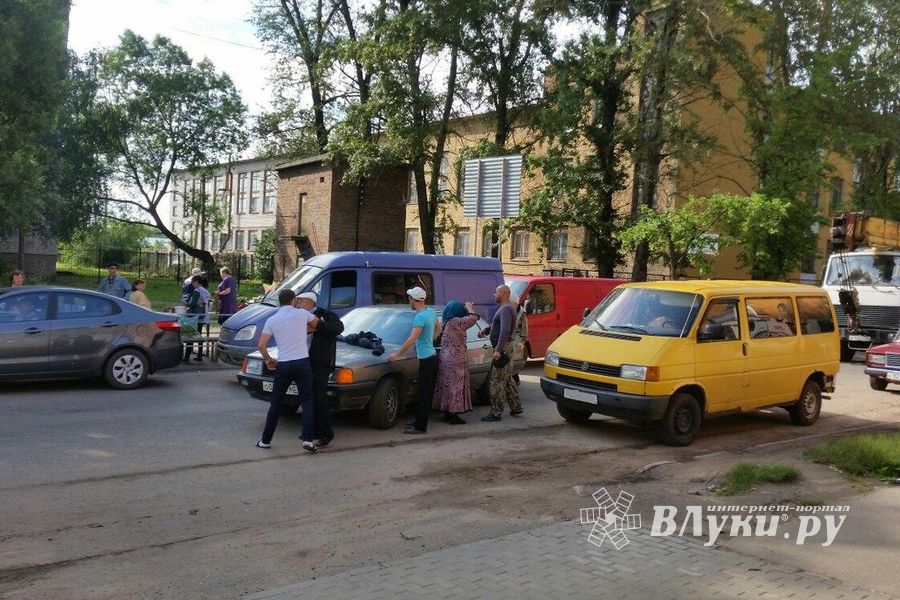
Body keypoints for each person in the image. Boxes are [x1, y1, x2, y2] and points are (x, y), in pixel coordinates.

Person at [256, 289, 319, 452]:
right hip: (302, 363)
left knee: (276, 403)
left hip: (283, 364)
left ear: (279, 301)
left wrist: (269, 360)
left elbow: (261, 345)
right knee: (307, 401)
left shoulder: (272, 319)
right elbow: (318, 325)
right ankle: (308, 439)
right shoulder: (302, 314)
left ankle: (265, 440)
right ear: (293, 300)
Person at [387, 286, 441, 435]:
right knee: (423, 393)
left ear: (415, 300)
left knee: (423, 394)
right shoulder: (429, 311)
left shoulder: (420, 317)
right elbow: (439, 328)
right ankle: (418, 421)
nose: (409, 300)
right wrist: (430, 340)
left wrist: (397, 355)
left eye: (410, 298)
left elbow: (412, 339)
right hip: (430, 358)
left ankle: (420, 426)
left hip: (427, 360)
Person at [295, 291, 344, 448]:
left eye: (300, 301)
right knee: (308, 398)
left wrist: (318, 326)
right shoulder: (297, 316)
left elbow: (337, 328)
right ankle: (312, 431)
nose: (297, 304)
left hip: (320, 363)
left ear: (309, 302)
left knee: (319, 398)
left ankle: (326, 433)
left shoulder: (325, 314)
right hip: (304, 361)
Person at [478, 284, 523, 421]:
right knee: (507, 378)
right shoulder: (507, 308)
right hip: (506, 347)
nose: (494, 294)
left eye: (496, 292)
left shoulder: (505, 309)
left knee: (496, 381)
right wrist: (486, 331)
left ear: (503, 293)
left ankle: (495, 413)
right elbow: (498, 325)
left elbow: (504, 331)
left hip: (503, 348)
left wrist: (498, 350)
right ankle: (516, 407)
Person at [433, 300, 479, 425]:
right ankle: (453, 414)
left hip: (445, 359)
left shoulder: (446, 322)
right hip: (456, 360)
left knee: (447, 387)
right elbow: (474, 318)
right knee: (455, 388)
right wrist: (469, 307)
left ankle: (447, 413)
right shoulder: (456, 322)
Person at [183, 275, 211, 362]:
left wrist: (185, 304)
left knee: (190, 335)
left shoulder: (197, 291)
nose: (192, 284)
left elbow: (192, 303)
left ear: (196, 282)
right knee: (199, 335)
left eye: (192, 282)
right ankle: (199, 355)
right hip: (203, 315)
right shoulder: (205, 291)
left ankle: (187, 356)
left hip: (194, 315)